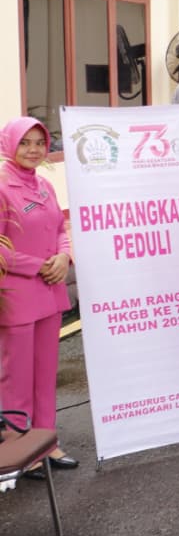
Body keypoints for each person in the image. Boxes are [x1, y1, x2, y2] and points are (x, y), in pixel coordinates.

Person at [0, 117, 76, 475]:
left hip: (50, 291)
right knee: (17, 378)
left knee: (46, 374)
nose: (33, 150)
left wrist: (64, 257)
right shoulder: (2, 188)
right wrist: (39, 264)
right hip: (17, 296)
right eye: (25, 143)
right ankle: (20, 451)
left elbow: (60, 227)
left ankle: (48, 443)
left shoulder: (45, 185)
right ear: (10, 146)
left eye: (39, 143)